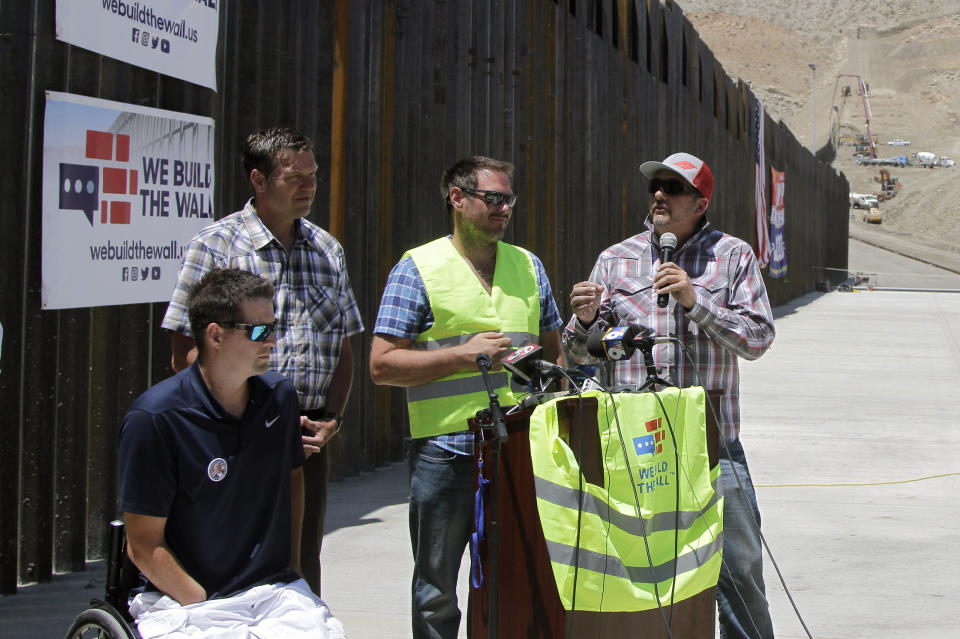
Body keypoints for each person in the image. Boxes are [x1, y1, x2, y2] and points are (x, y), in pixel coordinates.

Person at [564, 152, 776, 639]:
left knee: (738, 569)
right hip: (635, 448)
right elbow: (578, 357)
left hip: (711, 446)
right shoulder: (615, 259)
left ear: (700, 202)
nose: (659, 194)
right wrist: (585, 321)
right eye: (654, 186)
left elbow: (758, 339)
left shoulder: (734, 256)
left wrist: (694, 300)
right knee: (638, 574)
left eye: (673, 187)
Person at [161, 127, 363, 596]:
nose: (309, 186)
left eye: (313, 176)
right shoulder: (214, 247)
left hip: (305, 436)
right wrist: (246, 417)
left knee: (298, 562)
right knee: (230, 560)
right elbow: (183, 353)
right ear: (258, 178)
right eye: (295, 178)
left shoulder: (328, 251)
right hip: (233, 434)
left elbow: (344, 347)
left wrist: (331, 418)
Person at [369, 156, 564, 638]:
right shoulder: (418, 268)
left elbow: (554, 357)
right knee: (436, 590)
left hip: (520, 450)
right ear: (457, 199)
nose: (504, 209)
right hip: (445, 452)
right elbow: (381, 364)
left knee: (518, 579)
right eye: (492, 198)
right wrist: (462, 356)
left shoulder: (528, 266)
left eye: (509, 200)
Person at [119, 268, 345, 638]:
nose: (272, 340)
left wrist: (292, 566)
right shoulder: (154, 419)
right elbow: (143, 545)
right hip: (187, 602)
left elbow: (293, 477)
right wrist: (199, 599)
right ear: (215, 335)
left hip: (272, 594)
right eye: (258, 331)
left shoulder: (280, 397)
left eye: (274, 327)